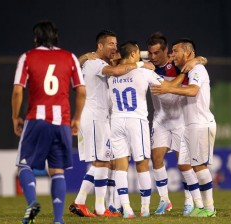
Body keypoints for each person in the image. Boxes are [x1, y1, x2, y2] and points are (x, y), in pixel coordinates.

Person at [69, 30, 154, 217]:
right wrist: (140, 63)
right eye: (110, 44)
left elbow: (123, 59)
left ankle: (95, 205)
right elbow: (116, 70)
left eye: (116, 44)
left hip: (100, 117)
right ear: (99, 46)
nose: (114, 48)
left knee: (105, 161)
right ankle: (87, 203)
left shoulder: (96, 61)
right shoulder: (95, 63)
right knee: (102, 161)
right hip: (93, 117)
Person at [11, 21, 86, 224]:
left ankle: (32, 201)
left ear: (36, 38)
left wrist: (15, 116)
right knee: (57, 170)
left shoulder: (28, 57)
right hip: (61, 121)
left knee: (24, 165)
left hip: (36, 118)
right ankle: (58, 220)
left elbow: (18, 89)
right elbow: (81, 90)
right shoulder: (69, 57)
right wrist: (77, 118)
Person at [150, 38, 217, 217]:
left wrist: (169, 89)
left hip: (200, 123)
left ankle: (209, 209)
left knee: (200, 166)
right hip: (189, 125)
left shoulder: (197, 69)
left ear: (187, 52)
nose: (173, 55)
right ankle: (198, 206)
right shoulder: (189, 69)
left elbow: (193, 90)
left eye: (175, 51)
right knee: (185, 165)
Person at [108, 41, 163, 218]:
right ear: (133, 55)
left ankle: (127, 209)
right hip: (136, 120)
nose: (141, 55)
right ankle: (145, 208)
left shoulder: (112, 74)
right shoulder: (143, 72)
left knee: (120, 166)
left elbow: (123, 62)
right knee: (142, 164)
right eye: (138, 53)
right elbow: (163, 86)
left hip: (116, 121)